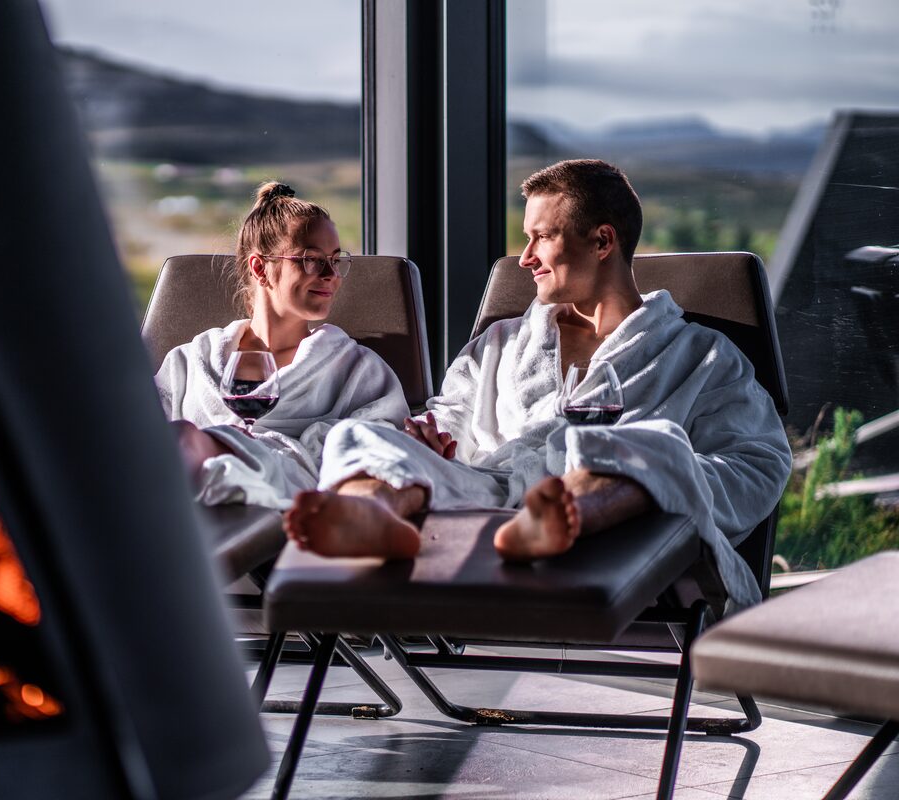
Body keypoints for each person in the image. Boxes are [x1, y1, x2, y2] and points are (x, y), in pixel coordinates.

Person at [284, 159, 791, 608]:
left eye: (541, 237)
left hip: (620, 531)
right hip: (483, 499)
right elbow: (452, 409)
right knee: (361, 436)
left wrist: (654, 474)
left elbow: (757, 461)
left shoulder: (698, 354)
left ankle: (566, 515)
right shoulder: (503, 341)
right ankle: (371, 512)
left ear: (602, 240)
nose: (525, 258)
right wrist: (429, 435)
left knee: (652, 446)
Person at [155, 181, 409, 510]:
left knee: (183, 439)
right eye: (311, 259)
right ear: (260, 268)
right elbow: (139, 433)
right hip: (185, 503)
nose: (331, 274)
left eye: (336, 259)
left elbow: (382, 446)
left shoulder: (355, 368)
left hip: (287, 496)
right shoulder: (192, 361)